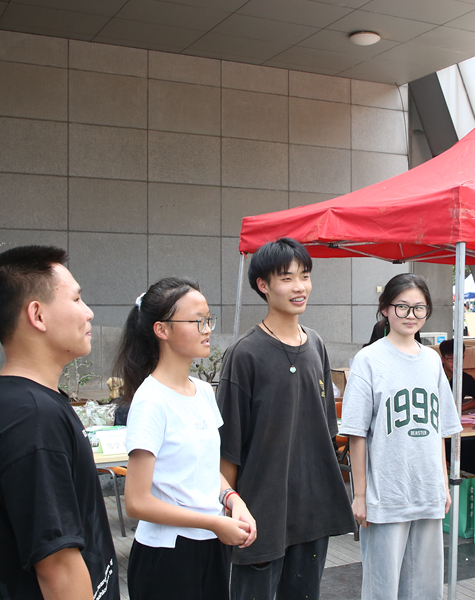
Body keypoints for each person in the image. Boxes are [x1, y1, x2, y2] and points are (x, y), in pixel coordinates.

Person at [217, 238, 355, 600]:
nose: (299, 287)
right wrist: (229, 506)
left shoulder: (316, 345)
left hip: (312, 512)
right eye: (287, 278)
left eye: (304, 276)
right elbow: (228, 447)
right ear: (263, 285)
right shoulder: (244, 354)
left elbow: (326, 432)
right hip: (260, 513)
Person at [118, 278, 257, 599]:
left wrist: (233, 500)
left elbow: (206, 469)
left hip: (212, 543)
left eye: (208, 319)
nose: (207, 329)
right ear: (161, 330)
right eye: (197, 321)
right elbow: (136, 502)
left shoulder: (204, 391)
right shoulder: (151, 400)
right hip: (168, 553)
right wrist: (213, 523)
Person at [0, 245, 119, 600]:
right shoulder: (34, 417)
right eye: (77, 299)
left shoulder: (26, 403)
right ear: (37, 314)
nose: (89, 312)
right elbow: (57, 566)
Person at [339, 274, 462, 600]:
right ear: (385, 309)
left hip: (427, 491)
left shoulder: (432, 360)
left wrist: (443, 482)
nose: (411, 315)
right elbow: (356, 433)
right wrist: (360, 495)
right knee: (382, 589)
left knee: (426, 590)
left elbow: (439, 429)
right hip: (386, 496)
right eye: (402, 307)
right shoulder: (368, 360)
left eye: (419, 308)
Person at [439, 339, 475, 412]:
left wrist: (460, 409)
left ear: (464, 357)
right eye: (451, 358)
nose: (455, 362)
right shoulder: (435, 376)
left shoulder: (465, 379)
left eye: (459, 358)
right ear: (443, 359)